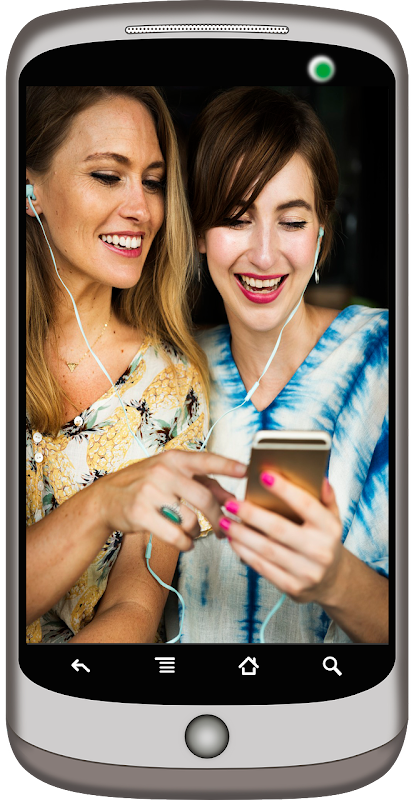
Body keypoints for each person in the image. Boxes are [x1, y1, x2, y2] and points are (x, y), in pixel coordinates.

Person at [25, 86, 246, 644]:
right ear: (30, 189)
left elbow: (135, 607)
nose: (141, 209)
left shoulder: (172, 390)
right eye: (107, 176)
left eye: (152, 181)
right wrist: (104, 503)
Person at [173, 85, 388, 644]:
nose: (264, 255)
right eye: (235, 218)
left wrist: (336, 580)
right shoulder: (168, 373)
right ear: (198, 231)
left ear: (321, 232)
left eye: (291, 222)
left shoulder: (388, 359)